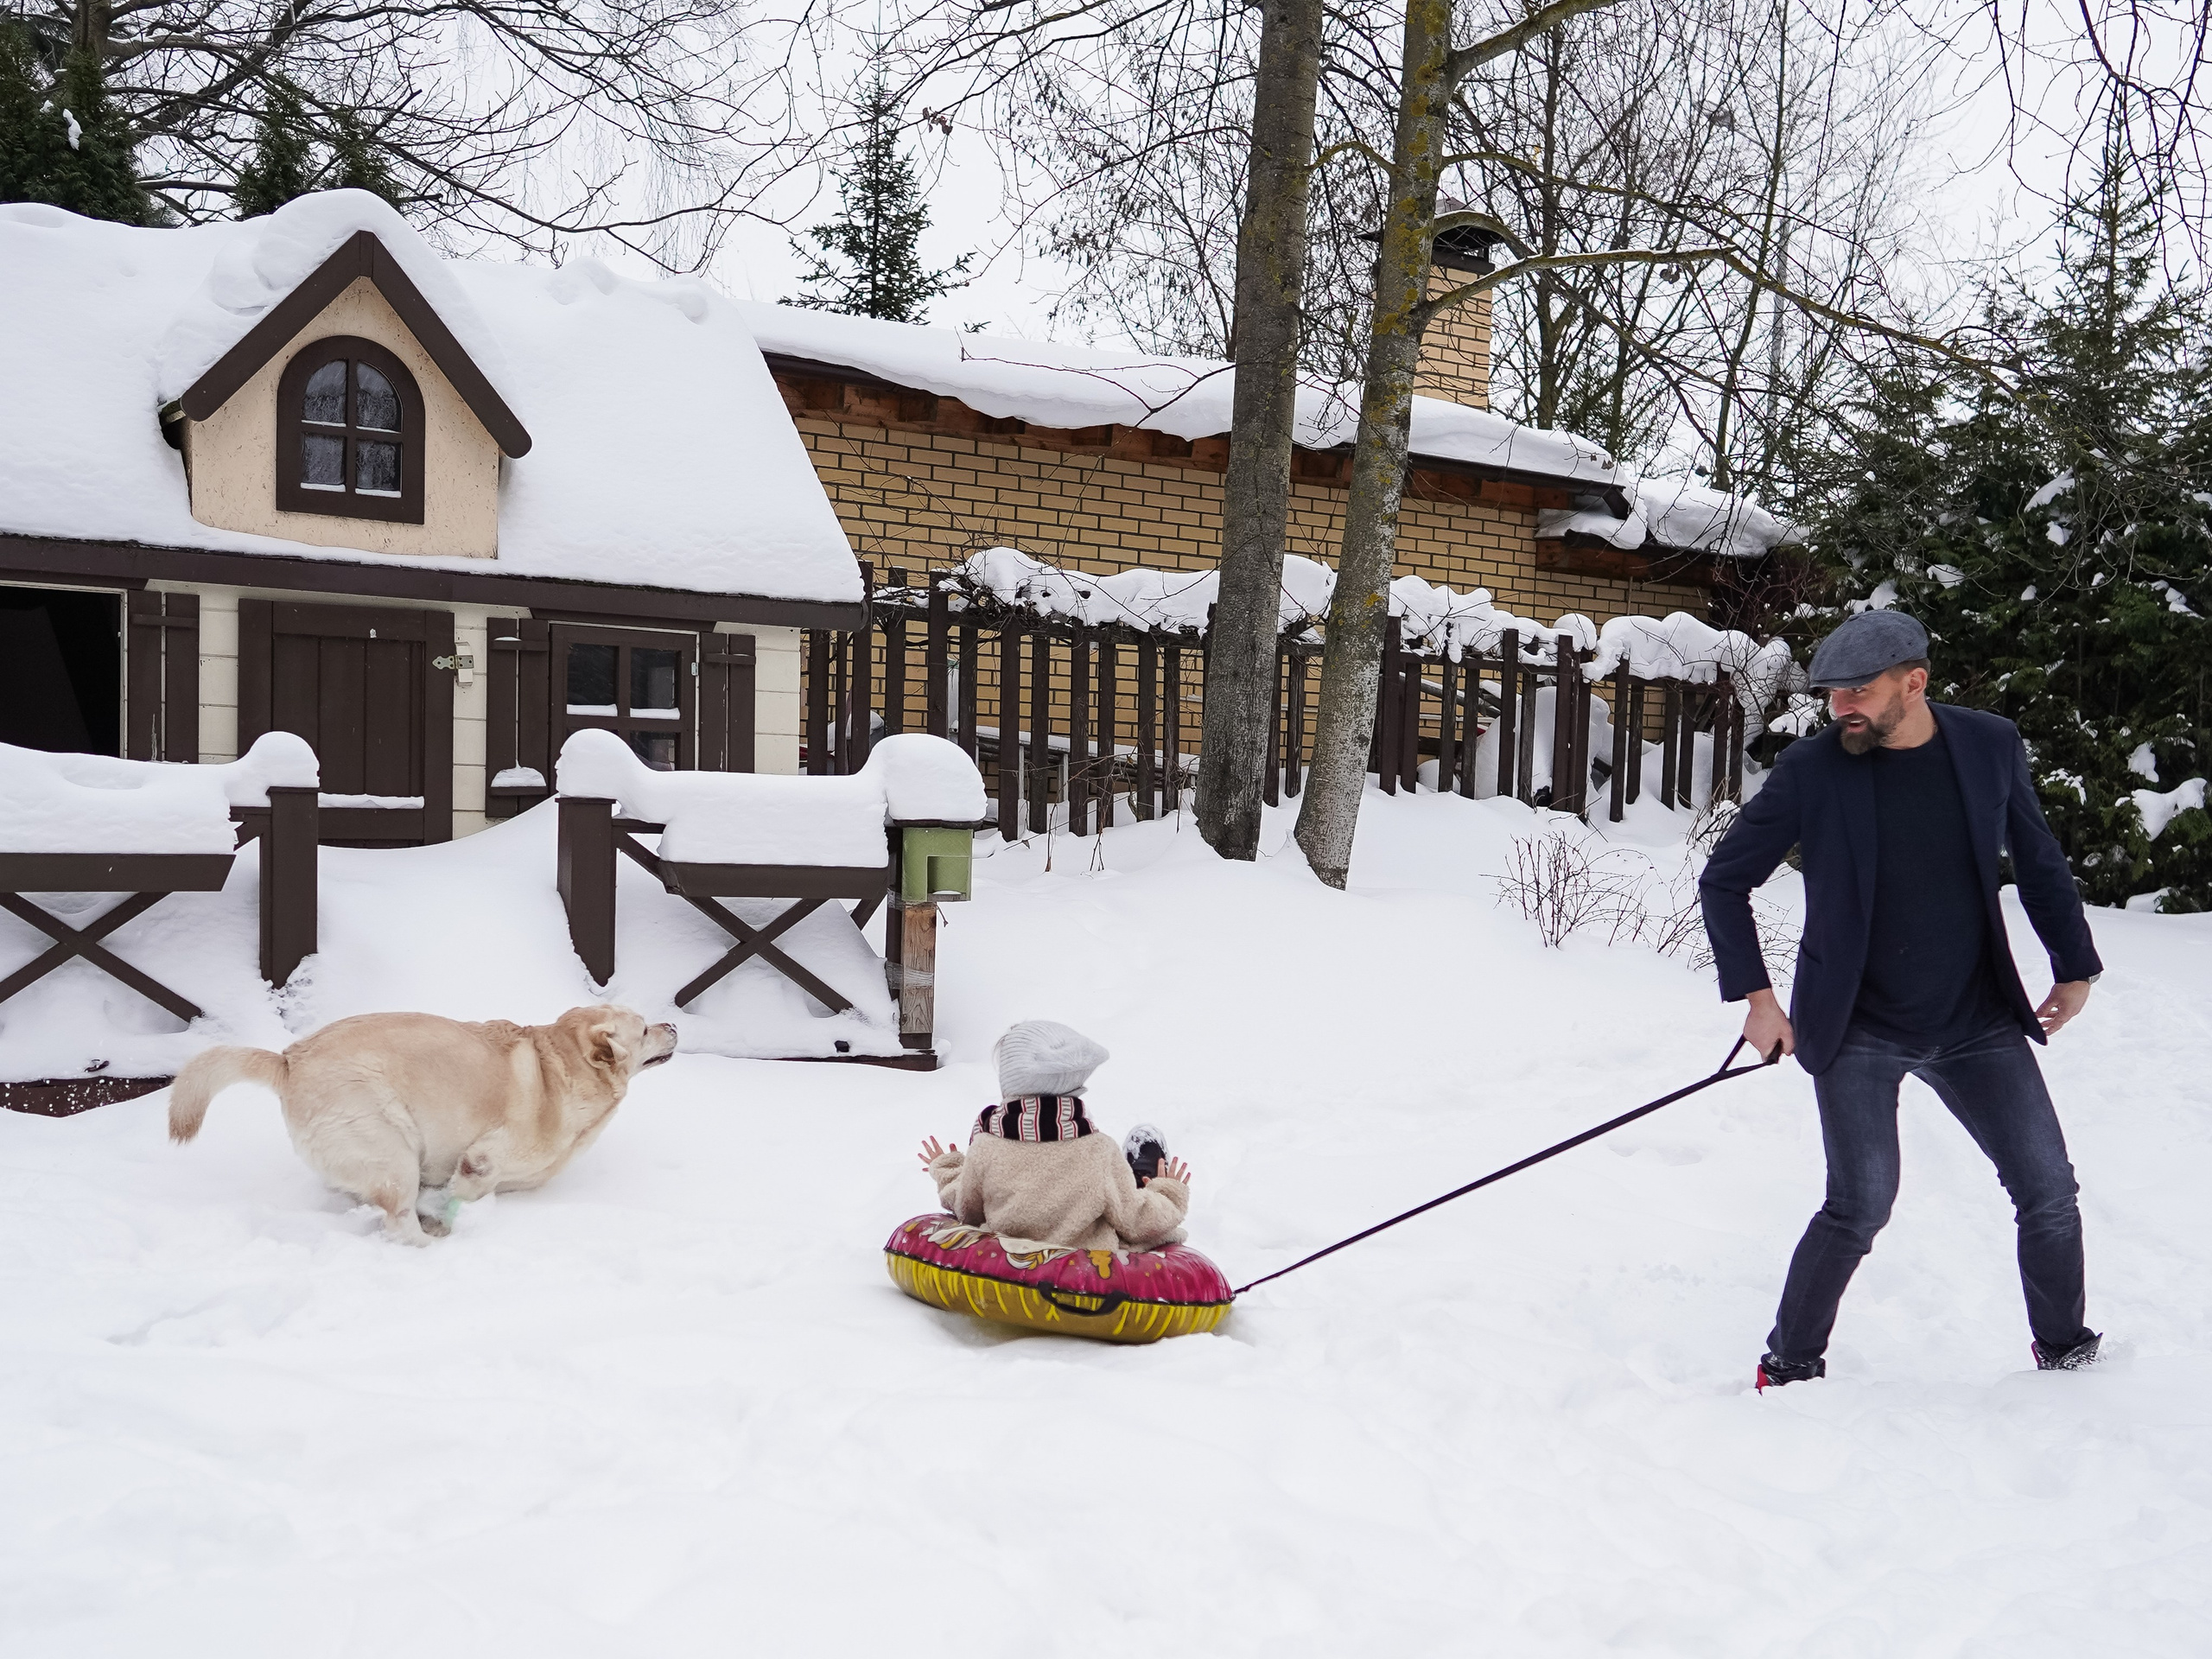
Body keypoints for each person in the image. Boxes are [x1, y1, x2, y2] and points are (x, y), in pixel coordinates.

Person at [1698, 610, 2105, 1388]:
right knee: (1859, 1205)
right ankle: (1789, 1362)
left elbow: (2041, 859)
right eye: (1830, 695)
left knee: (2049, 1190)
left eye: (1858, 691)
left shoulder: (1988, 745)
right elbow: (1725, 881)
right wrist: (1758, 999)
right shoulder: (1814, 770)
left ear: (1914, 683)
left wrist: (2074, 966)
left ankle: (2068, 1353)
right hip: (1858, 1025)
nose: (1841, 707)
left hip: (1976, 1018)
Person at [918, 1019, 1192, 1252]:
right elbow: (1137, 1222)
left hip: (1009, 1269)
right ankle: (1144, 1181)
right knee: (1126, 1202)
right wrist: (1170, 1193)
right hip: (1087, 1278)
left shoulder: (986, 1147)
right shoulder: (1098, 1150)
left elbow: (969, 1212)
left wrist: (950, 1171)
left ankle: (1133, 1181)